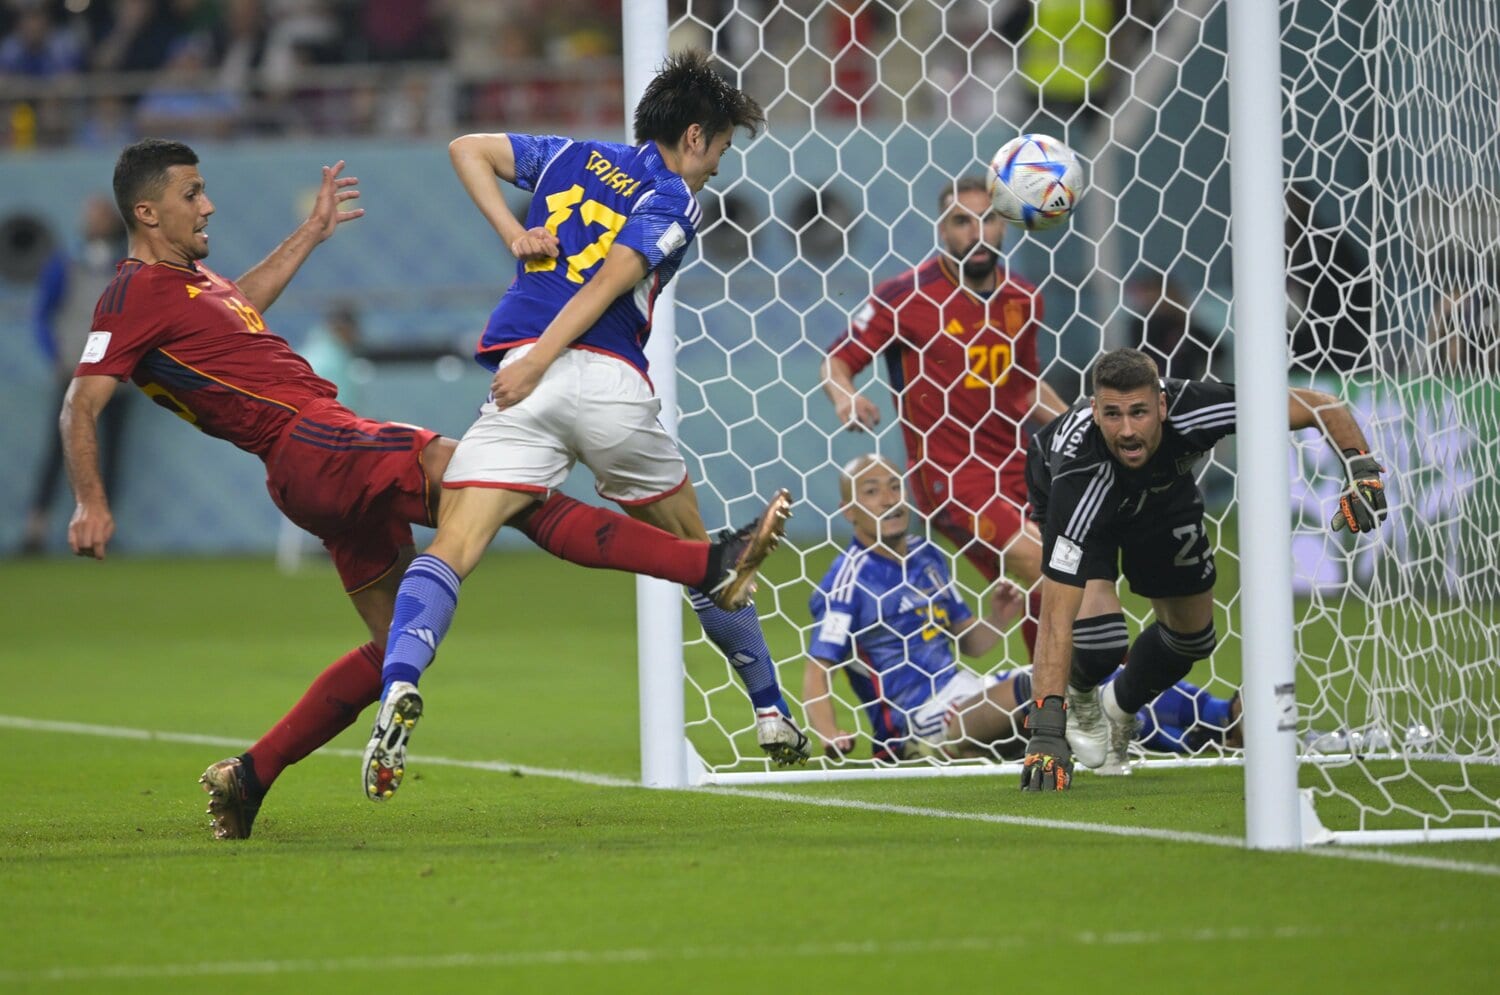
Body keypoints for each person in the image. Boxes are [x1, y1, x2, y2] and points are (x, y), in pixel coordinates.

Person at [62, 138, 788, 839]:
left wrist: (310, 234)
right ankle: (708, 564)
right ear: (148, 212)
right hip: (317, 439)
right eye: (192, 194)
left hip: (304, 476)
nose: (209, 206)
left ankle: (251, 775)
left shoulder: (186, 289)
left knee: (394, 646)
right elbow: (81, 403)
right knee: (511, 493)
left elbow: (239, 305)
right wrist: (91, 501)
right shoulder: (130, 294)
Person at [360, 49, 811, 802]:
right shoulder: (674, 197)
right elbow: (611, 279)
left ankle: (399, 684)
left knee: (452, 547)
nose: (716, 168)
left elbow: (463, 148)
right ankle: (770, 710)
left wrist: (512, 232)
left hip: (517, 389)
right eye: (722, 151)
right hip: (600, 382)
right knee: (704, 558)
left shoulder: (571, 155)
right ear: (694, 137)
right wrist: (544, 360)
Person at [1018, 347, 1389, 790]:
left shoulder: (1198, 407)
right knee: (1100, 641)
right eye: (1113, 415)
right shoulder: (1078, 480)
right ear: (1095, 413)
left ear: (1163, 404)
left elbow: (1319, 405)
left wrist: (1360, 467)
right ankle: (1082, 699)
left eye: (1139, 412)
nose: (1128, 429)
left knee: (1192, 639)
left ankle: (1117, 708)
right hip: (1085, 505)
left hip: (1161, 497)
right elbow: (1056, 615)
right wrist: (1046, 731)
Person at [804, 454, 1243, 763]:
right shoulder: (848, 579)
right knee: (1048, 688)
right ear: (848, 510)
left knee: (1086, 677)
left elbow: (970, 644)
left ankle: (1220, 719)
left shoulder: (925, 557)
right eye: (872, 490)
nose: (889, 498)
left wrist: (996, 618)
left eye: (895, 485)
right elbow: (817, 667)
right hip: (918, 723)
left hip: (967, 693)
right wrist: (829, 733)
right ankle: (1211, 729)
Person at [820, 174, 1068, 658]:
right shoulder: (905, 297)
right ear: (942, 230)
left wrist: (1078, 423)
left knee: (1070, 587)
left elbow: (1023, 387)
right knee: (1049, 569)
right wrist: (844, 397)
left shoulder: (1023, 297)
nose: (976, 232)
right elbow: (837, 361)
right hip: (952, 479)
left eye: (988, 219)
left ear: (1007, 224)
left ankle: (1084, 709)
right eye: (962, 221)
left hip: (1019, 473)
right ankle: (1063, 708)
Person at [21, 195, 129, 556]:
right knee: (59, 451)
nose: (93, 221)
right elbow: (41, 316)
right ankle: (36, 530)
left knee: (111, 454)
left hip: (117, 376)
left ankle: (100, 532)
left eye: (99, 215)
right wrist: (55, 356)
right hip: (75, 373)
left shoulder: (125, 267)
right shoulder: (64, 265)